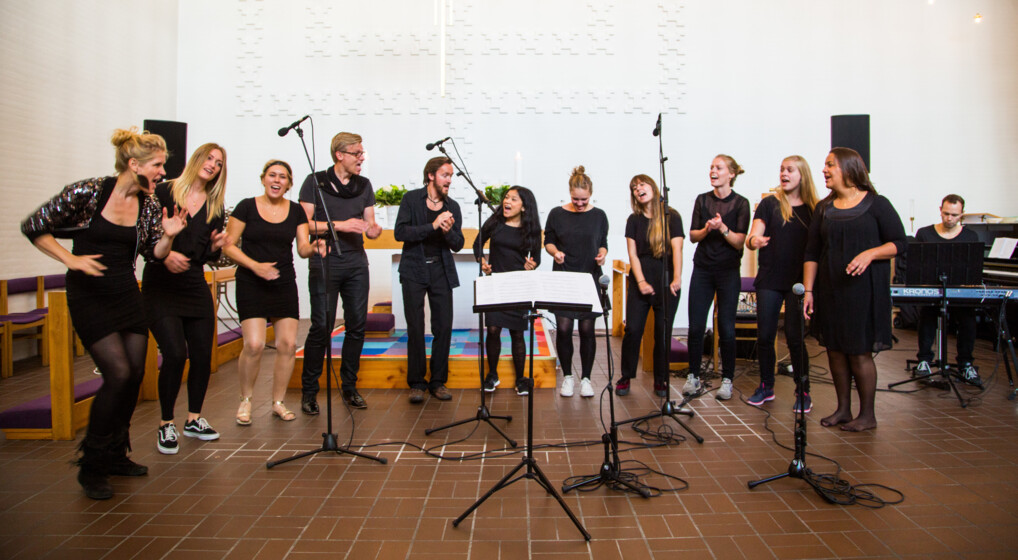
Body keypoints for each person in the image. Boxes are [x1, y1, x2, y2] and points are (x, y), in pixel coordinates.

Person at [21, 127, 184, 500]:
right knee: (118, 373)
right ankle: (91, 466)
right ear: (134, 164)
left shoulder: (148, 204)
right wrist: (71, 259)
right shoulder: (89, 192)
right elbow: (35, 226)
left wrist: (169, 235)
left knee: (136, 373)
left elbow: (154, 253)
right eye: (157, 165)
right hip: (89, 295)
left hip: (125, 293)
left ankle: (115, 454)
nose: (162, 172)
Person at [803, 148, 906, 432]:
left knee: (859, 352)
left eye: (830, 165)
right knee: (835, 350)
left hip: (864, 293)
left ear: (848, 169)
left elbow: (900, 243)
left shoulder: (877, 204)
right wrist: (808, 291)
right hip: (830, 290)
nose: (824, 170)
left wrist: (870, 253)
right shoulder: (823, 208)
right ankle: (843, 409)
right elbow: (812, 252)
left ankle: (867, 415)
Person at [222, 160, 326, 424]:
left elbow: (302, 248)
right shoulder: (246, 207)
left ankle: (278, 402)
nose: (277, 180)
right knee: (254, 344)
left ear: (289, 184)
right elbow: (228, 245)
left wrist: (314, 248)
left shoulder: (296, 211)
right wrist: (255, 266)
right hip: (251, 281)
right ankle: (246, 400)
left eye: (282, 177)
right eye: (272, 175)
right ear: (263, 179)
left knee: (288, 345)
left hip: (282, 281)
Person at [144, 143, 230, 455]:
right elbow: (144, 237)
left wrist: (216, 248)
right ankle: (166, 422)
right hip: (161, 284)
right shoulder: (163, 192)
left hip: (194, 283)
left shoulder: (215, 205)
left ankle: (194, 419)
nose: (213, 165)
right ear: (196, 159)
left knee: (203, 355)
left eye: (218, 163)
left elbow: (205, 256)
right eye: (209, 158)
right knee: (175, 353)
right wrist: (165, 256)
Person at [298, 132, 382, 413]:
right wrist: (340, 225)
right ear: (339, 155)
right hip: (325, 261)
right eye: (357, 153)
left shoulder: (364, 185)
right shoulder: (315, 182)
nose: (362, 158)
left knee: (357, 326)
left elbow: (369, 225)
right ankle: (309, 391)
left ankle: (349, 387)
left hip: (356, 263)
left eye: (362, 153)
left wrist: (373, 230)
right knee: (321, 326)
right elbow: (303, 224)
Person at [745, 156, 820, 412]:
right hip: (770, 278)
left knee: (795, 337)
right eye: (781, 170)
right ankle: (766, 385)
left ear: (802, 175)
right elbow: (752, 236)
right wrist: (754, 241)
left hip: (798, 282)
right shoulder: (769, 204)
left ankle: (803, 390)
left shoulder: (814, 209)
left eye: (790, 170)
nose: (784, 174)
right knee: (765, 335)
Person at [394, 156, 464, 403]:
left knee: (443, 326)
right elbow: (400, 232)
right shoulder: (411, 199)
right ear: (431, 175)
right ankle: (416, 383)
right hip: (413, 269)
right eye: (445, 175)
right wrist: (433, 225)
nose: (449, 180)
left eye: (451, 176)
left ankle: (437, 382)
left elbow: (458, 244)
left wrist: (447, 231)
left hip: (441, 270)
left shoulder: (453, 206)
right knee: (415, 327)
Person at [683, 155, 750, 401]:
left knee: (726, 328)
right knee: (696, 326)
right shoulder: (702, 200)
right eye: (711, 167)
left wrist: (722, 228)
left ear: (731, 174)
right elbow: (693, 236)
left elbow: (739, 241)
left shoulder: (741, 204)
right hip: (703, 269)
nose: (713, 171)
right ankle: (693, 376)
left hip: (728, 272)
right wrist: (707, 229)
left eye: (718, 168)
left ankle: (727, 380)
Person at [544, 166, 609, 398]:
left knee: (587, 329)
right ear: (570, 193)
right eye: (575, 199)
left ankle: (586, 379)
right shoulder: (556, 214)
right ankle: (568, 378)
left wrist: (602, 255)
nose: (580, 204)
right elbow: (548, 241)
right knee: (563, 328)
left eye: (584, 200)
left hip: (589, 278)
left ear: (590, 194)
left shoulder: (599, 216)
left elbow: (603, 243)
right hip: (564, 277)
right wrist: (555, 252)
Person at [617, 175, 684, 398]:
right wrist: (641, 282)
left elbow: (677, 249)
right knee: (633, 330)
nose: (638, 189)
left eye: (642, 184)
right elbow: (633, 255)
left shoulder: (671, 216)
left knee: (663, 333)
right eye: (634, 188)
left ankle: (661, 379)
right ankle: (626, 376)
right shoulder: (633, 220)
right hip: (641, 280)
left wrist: (677, 278)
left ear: (653, 187)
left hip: (666, 281)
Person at [472, 186, 542, 396]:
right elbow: (477, 244)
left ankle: (520, 378)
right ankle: (492, 375)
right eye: (506, 197)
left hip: (518, 285)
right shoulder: (495, 222)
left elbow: (536, 258)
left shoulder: (532, 229)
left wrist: (532, 265)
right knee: (493, 329)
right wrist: (482, 262)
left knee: (517, 333)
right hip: (495, 284)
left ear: (524, 207)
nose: (507, 201)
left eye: (513, 199)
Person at [914, 194, 982, 386]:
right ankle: (924, 360)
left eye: (954, 215)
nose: (949, 218)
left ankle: (965, 363)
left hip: (958, 291)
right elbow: (918, 265)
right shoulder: (925, 234)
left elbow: (973, 269)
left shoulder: (970, 236)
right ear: (940, 210)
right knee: (927, 315)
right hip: (933, 290)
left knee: (968, 319)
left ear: (962, 214)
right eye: (946, 213)